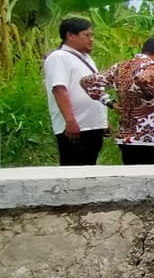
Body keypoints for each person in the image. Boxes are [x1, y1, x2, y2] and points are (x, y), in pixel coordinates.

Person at [81, 37, 154, 165]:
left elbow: (87, 81)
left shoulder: (121, 67)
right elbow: (142, 79)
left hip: (126, 137)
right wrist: (149, 103)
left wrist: (110, 103)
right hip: (150, 135)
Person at [43, 17, 109, 166]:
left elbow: (95, 89)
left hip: (93, 125)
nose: (91, 39)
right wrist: (70, 121)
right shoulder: (59, 57)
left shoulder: (88, 59)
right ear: (70, 35)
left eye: (92, 35)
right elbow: (59, 89)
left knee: (89, 168)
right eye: (86, 35)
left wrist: (103, 119)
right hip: (76, 127)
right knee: (73, 170)